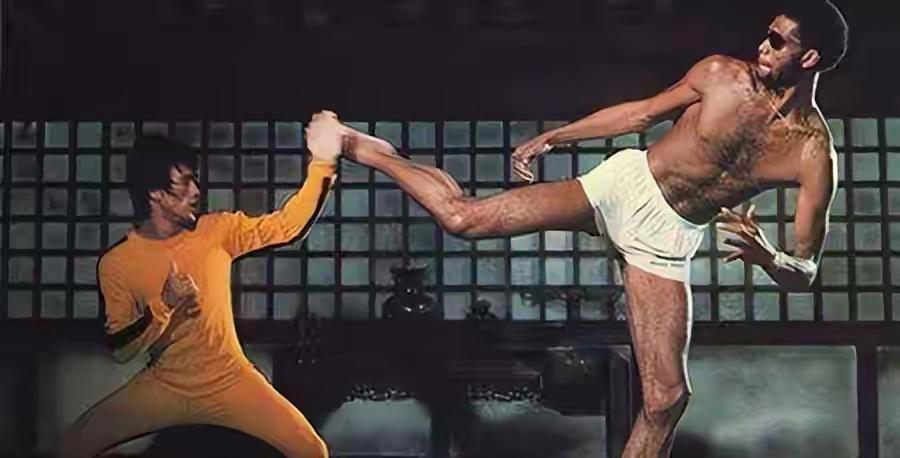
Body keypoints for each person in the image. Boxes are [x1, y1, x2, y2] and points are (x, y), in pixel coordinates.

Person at [308, 1, 849, 456]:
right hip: (626, 186)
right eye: (766, 34)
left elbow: (805, 271)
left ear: (810, 58)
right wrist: (556, 137)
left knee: (667, 400)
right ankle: (361, 147)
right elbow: (639, 114)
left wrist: (770, 258)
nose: (762, 47)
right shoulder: (720, 75)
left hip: (665, 238)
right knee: (462, 218)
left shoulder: (812, 154)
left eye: (777, 41)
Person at [59, 113, 343, 457]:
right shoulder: (117, 263)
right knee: (74, 446)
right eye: (185, 183)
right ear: (155, 193)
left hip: (231, 379)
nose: (196, 191)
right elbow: (122, 350)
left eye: (196, 180)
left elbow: (286, 226)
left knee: (312, 450)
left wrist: (323, 163)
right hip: (165, 384)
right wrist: (165, 305)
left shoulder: (216, 232)